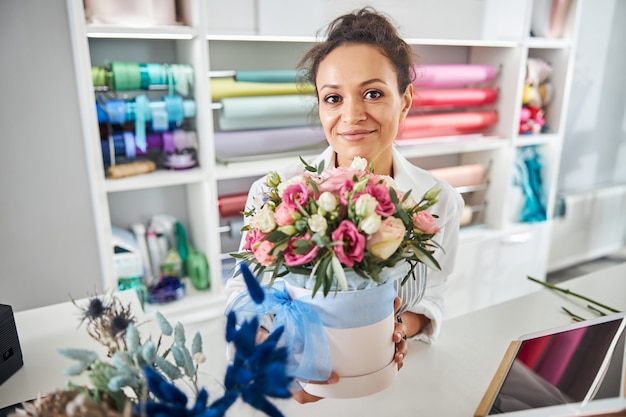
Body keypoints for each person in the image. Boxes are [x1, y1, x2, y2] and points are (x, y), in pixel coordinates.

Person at [224, 7, 464, 403]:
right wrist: (268, 349)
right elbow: (242, 291)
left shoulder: (438, 203)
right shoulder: (274, 195)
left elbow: (433, 295)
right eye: (333, 98)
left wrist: (400, 327)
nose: (351, 116)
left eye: (373, 93)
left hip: (396, 390)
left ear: (404, 101)